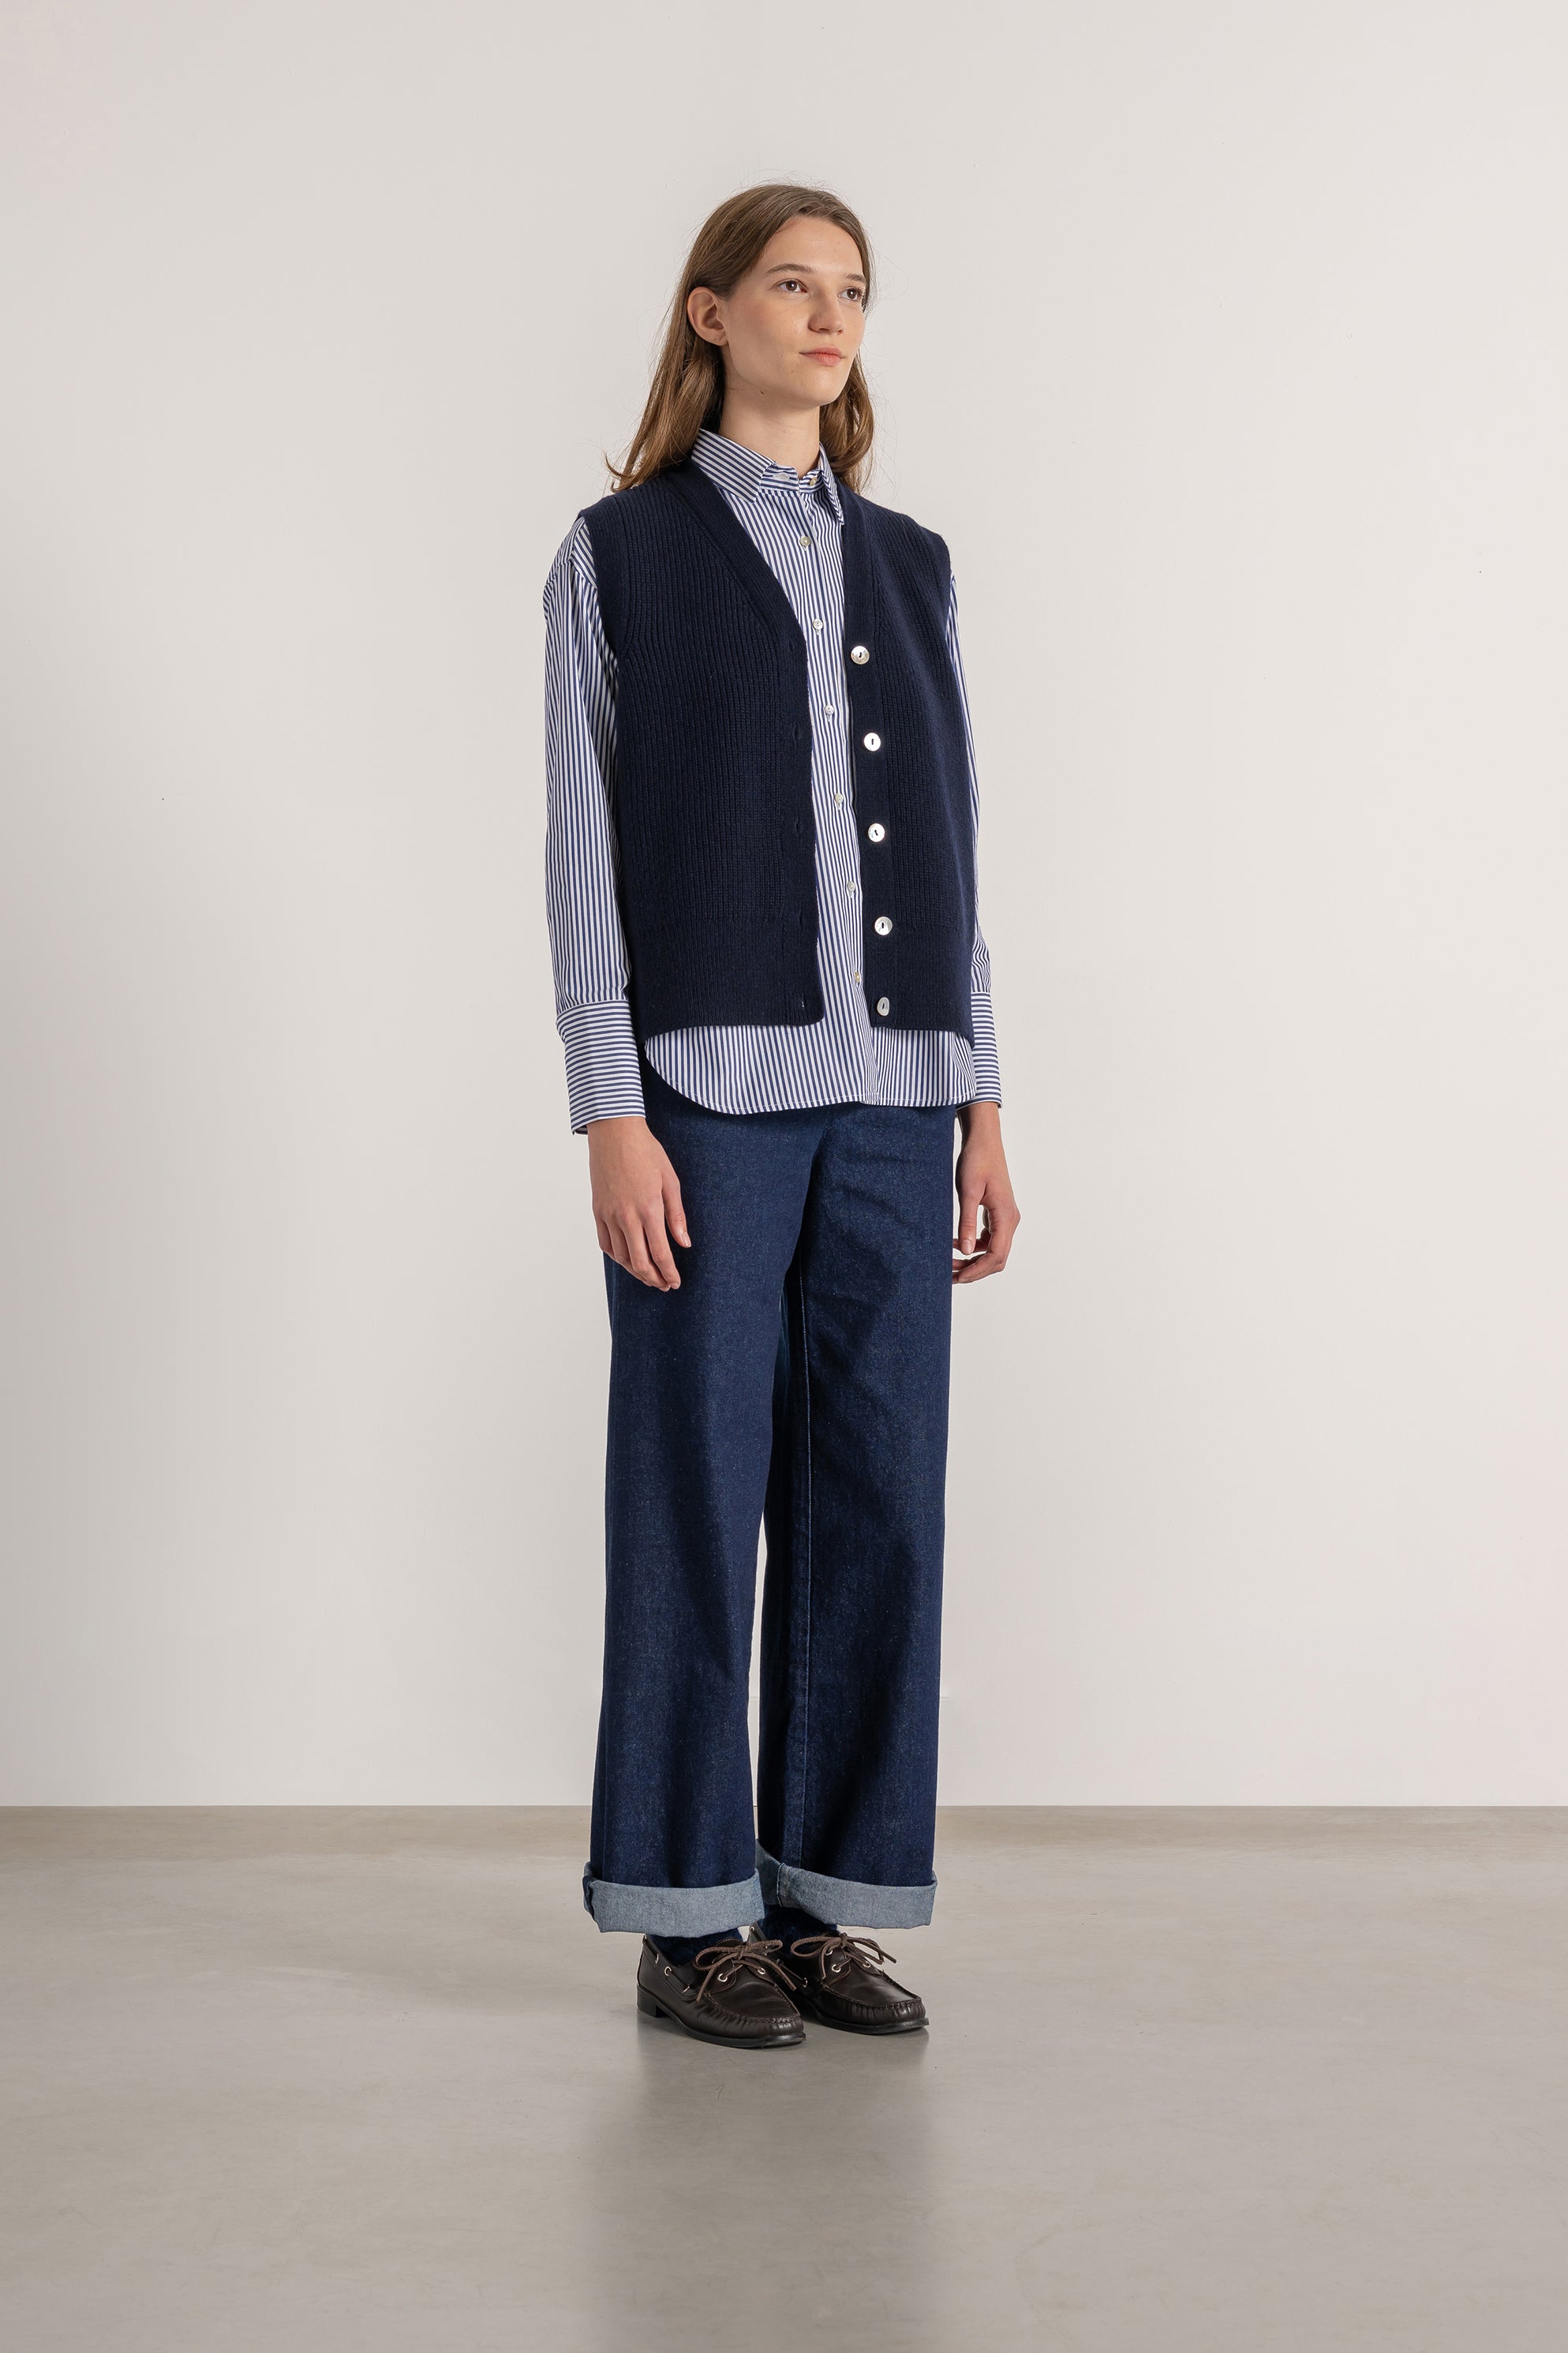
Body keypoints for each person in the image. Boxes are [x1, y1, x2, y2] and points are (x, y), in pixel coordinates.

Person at [542, 182, 1020, 2051]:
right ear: (711, 312)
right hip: (709, 1106)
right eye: (794, 285)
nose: (829, 318)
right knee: (690, 1484)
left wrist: (980, 1096)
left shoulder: (913, 561)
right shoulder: (621, 553)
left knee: (878, 1494)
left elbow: (960, 848)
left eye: (853, 292)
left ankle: (825, 1900)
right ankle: (687, 1913)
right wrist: (611, 1110)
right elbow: (582, 848)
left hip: (899, 1104)